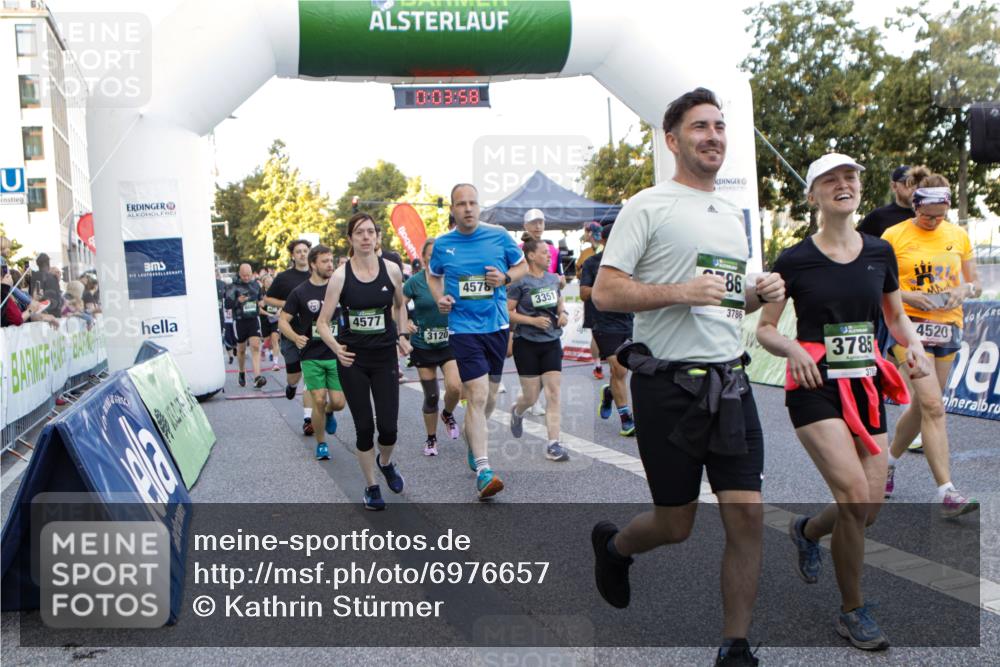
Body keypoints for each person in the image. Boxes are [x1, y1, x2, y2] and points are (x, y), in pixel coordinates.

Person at [590, 87, 785, 667]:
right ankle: (616, 547)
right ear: (673, 140)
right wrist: (679, 291)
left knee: (746, 510)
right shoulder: (647, 205)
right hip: (669, 386)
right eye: (701, 127)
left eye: (720, 127)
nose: (714, 136)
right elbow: (605, 292)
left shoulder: (730, 216)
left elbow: (721, 305)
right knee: (676, 524)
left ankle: (736, 646)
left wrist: (756, 294)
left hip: (731, 384)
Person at [757, 153, 931, 652]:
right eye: (830, 180)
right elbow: (766, 328)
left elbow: (896, 319)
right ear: (812, 195)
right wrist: (791, 348)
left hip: (866, 382)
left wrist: (912, 346)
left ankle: (808, 530)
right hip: (814, 386)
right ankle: (853, 610)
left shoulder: (880, 252)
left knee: (866, 508)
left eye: (851, 177)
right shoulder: (794, 260)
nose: (843, 185)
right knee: (855, 495)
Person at [881, 167, 980, 516]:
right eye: (927, 216)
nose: (933, 223)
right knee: (934, 406)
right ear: (915, 207)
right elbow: (880, 287)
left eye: (940, 217)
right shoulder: (894, 236)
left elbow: (975, 283)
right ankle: (947, 492)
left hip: (948, 328)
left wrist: (962, 290)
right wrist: (910, 296)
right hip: (907, 328)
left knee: (924, 406)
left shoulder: (959, 235)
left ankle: (887, 464)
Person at [428, 183, 528, 500]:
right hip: (462, 327)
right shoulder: (444, 244)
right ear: (453, 209)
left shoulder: (498, 235)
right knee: (478, 392)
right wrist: (440, 298)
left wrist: (506, 278)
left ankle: (474, 440)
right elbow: (433, 275)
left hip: (496, 325)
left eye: (473, 203)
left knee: (491, 397)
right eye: (461, 204)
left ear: (478, 206)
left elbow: (523, 265)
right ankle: (484, 470)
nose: (468, 208)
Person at [317, 213, 412, 511]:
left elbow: (400, 306)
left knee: (389, 428)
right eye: (360, 232)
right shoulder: (341, 277)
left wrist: (402, 334)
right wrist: (336, 348)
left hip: (384, 358)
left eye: (371, 232)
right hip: (353, 361)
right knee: (363, 428)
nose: (366, 237)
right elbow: (322, 322)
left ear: (378, 237)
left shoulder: (393, 270)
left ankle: (385, 462)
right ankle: (371, 487)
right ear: (350, 239)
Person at [278, 244, 346, 461]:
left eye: (331, 260)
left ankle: (329, 413)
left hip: (335, 353)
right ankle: (321, 443)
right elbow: (282, 321)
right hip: (311, 355)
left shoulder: (338, 288)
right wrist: (295, 337)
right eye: (325, 261)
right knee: (318, 398)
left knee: (338, 402)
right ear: (313, 264)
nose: (330, 265)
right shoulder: (300, 292)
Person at [506, 237, 570, 461]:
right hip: (527, 344)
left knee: (553, 393)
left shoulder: (553, 279)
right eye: (545, 252)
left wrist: (563, 315)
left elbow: (560, 305)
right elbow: (507, 312)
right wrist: (531, 321)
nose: (549, 255)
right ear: (531, 255)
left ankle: (553, 444)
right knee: (531, 396)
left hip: (551, 341)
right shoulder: (519, 281)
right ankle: (518, 410)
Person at [403, 238, 462, 456]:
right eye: (430, 254)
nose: (434, 257)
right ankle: (431, 439)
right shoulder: (415, 281)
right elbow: (397, 305)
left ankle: (447, 414)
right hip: (423, 344)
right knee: (431, 396)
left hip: (449, 343)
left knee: (456, 387)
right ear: (424, 257)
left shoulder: (451, 279)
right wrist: (405, 322)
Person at [579, 222, 636, 436]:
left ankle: (610, 392)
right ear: (603, 240)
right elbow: (584, 292)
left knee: (623, 370)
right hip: (602, 322)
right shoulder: (593, 263)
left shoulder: (631, 262)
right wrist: (610, 289)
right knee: (619, 369)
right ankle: (625, 418)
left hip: (627, 320)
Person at [265, 239, 315, 433]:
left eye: (305, 251)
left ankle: (308, 419)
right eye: (299, 252)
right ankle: (291, 386)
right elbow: (267, 298)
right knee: (295, 375)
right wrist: (287, 303)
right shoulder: (284, 277)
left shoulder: (316, 274)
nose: (302, 254)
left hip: (312, 335)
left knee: (310, 378)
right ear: (293, 256)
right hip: (289, 333)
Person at [226, 263, 267, 389]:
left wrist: (261, 302)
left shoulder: (255, 285)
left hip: (253, 319)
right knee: (242, 350)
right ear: (239, 273)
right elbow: (227, 304)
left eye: (248, 275)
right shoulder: (233, 286)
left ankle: (257, 377)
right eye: (244, 275)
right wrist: (238, 301)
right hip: (239, 321)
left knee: (255, 346)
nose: (246, 278)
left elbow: (262, 299)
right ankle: (242, 371)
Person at [856, 166, 914, 238]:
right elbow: (855, 242)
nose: (913, 187)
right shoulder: (878, 216)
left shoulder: (925, 215)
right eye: (907, 182)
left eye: (916, 182)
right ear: (894, 186)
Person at [259, 273, 281, 371]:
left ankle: (275, 364)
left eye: (271, 282)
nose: (270, 284)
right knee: (267, 341)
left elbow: (281, 305)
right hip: (265, 319)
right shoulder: (261, 294)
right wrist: (268, 314)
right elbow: (258, 309)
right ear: (264, 283)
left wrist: (278, 312)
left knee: (275, 339)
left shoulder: (277, 293)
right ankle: (263, 349)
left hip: (275, 319)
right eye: (267, 282)